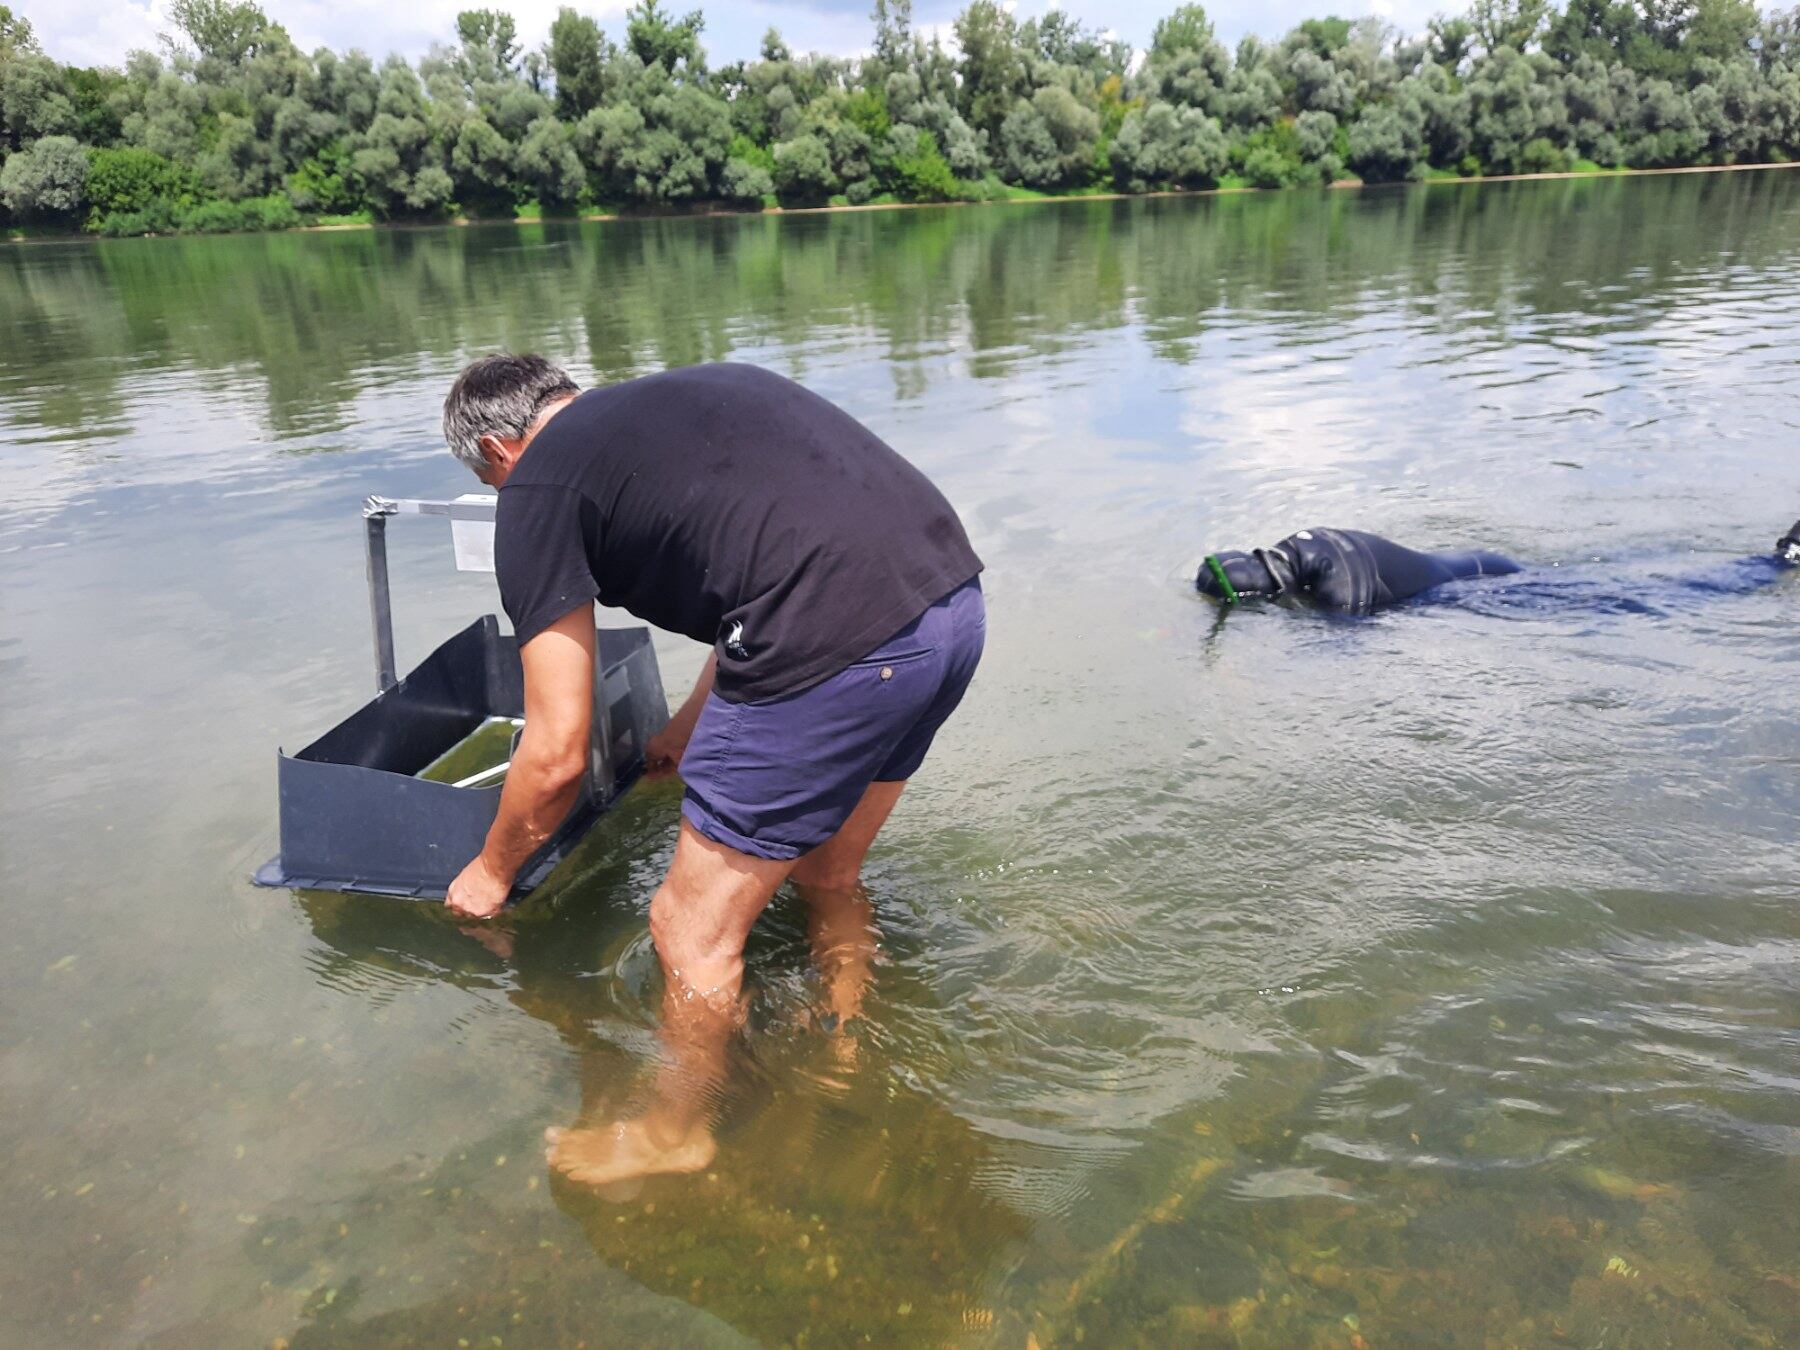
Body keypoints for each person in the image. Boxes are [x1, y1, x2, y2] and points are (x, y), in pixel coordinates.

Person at [436, 356, 985, 1185]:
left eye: (490, 483)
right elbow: (757, 571)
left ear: (498, 452)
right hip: (948, 609)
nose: (501, 496)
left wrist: (489, 873)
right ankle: (843, 1050)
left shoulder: (537, 488)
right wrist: (688, 732)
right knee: (829, 873)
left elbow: (554, 751)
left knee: (687, 931)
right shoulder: (688, 397)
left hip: (835, 645)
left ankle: (674, 1133)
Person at [1197, 521, 1800, 614]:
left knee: (1628, 602)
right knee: (1600, 584)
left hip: (1485, 586)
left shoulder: (1337, 590)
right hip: (1480, 565)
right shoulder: (1309, 544)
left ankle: (1776, 563)